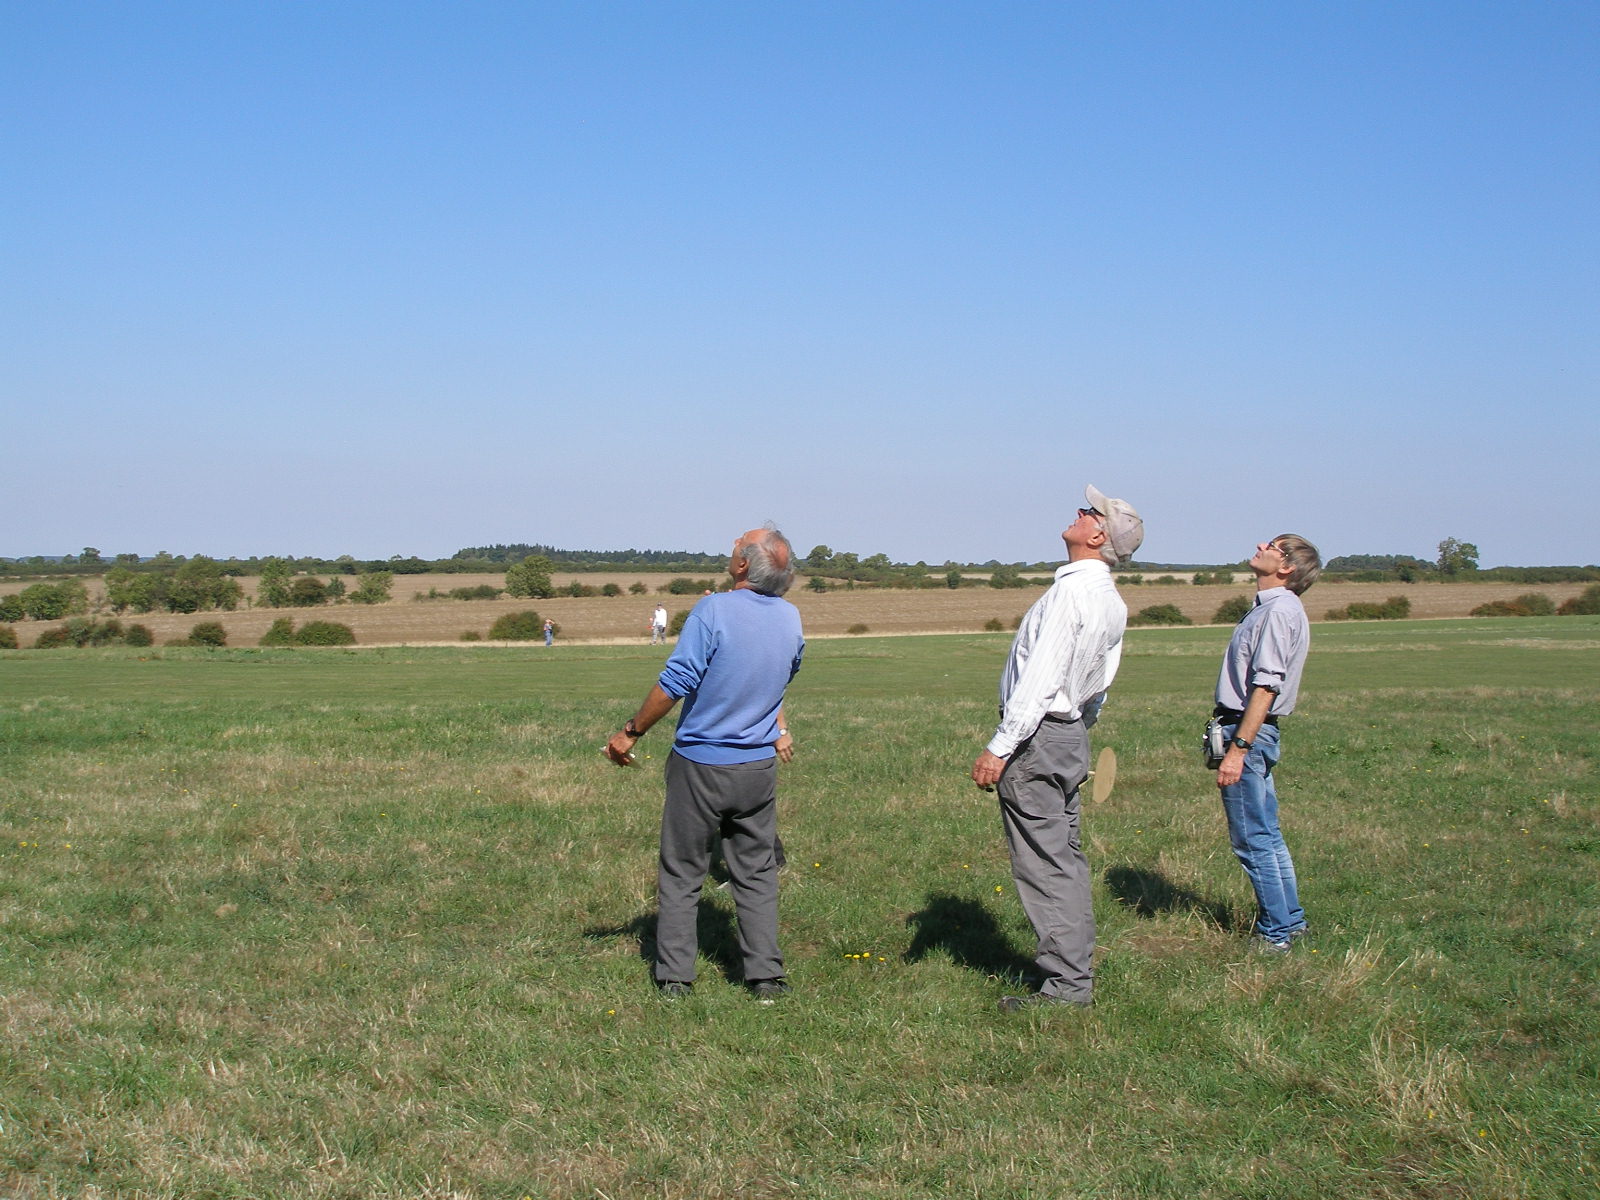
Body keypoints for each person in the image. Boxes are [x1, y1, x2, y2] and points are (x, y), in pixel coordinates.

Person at [606, 525, 804, 1001]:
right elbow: (782, 678)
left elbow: (676, 681)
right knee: (756, 872)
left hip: (699, 763)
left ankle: (676, 977)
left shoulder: (712, 610)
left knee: (682, 870)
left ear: (743, 565)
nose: (733, 544)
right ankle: (765, 977)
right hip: (757, 768)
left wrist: (630, 732)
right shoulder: (791, 617)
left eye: (739, 543)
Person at [971, 485, 1143, 1011]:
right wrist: (1079, 727)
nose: (1079, 513)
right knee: (1064, 859)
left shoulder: (1072, 593)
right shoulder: (1110, 599)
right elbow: (1099, 682)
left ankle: (1067, 988)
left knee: (1046, 865)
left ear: (1098, 536)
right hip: (1068, 737)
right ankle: (1074, 974)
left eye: (1090, 512)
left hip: (1039, 738)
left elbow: (1041, 679)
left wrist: (1001, 747)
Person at [1213, 533, 1321, 952]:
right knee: (1267, 834)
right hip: (1252, 731)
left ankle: (1276, 935)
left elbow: (1266, 686)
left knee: (1252, 837)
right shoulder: (1274, 608)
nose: (1261, 545)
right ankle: (1291, 922)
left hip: (1248, 731)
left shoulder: (1278, 611)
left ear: (1287, 567)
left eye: (1273, 546)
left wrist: (1238, 749)